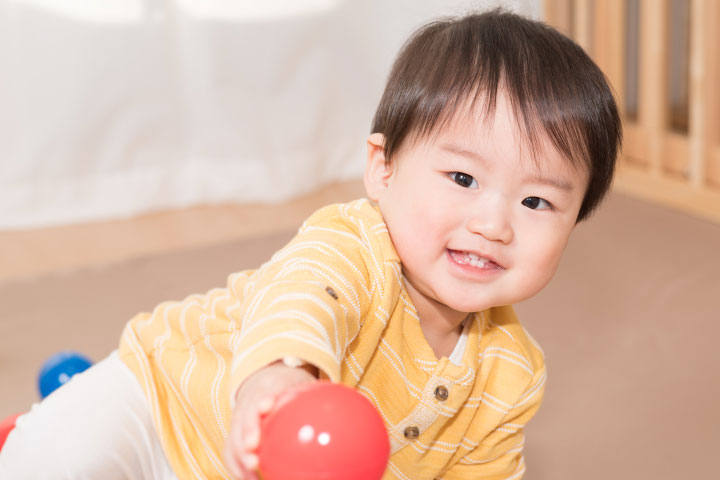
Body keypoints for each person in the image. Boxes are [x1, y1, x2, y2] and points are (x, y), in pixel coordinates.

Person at [0, 8, 621, 480]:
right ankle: (40, 425)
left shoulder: (512, 376)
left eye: (536, 201)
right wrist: (279, 377)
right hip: (162, 408)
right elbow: (302, 300)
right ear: (382, 168)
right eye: (463, 179)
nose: (494, 223)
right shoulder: (353, 246)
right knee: (53, 458)